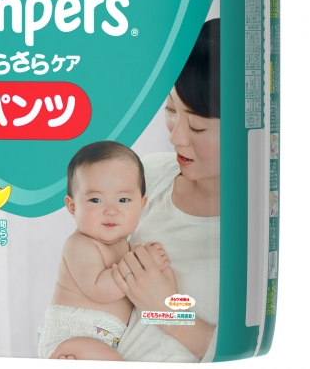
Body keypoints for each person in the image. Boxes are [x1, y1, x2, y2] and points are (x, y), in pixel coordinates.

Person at [111, 18, 221, 362]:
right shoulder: (150, 175)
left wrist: (166, 309)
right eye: (171, 109)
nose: (176, 137)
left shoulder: (258, 225)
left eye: (198, 127)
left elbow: (247, 345)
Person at [37, 141, 175, 360]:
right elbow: (100, 290)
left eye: (123, 199)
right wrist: (140, 264)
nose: (111, 210)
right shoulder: (79, 245)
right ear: (73, 206)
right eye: (95, 200)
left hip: (105, 340)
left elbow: (159, 295)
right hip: (72, 336)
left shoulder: (132, 249)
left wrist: (157, 267)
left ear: (142, 204)